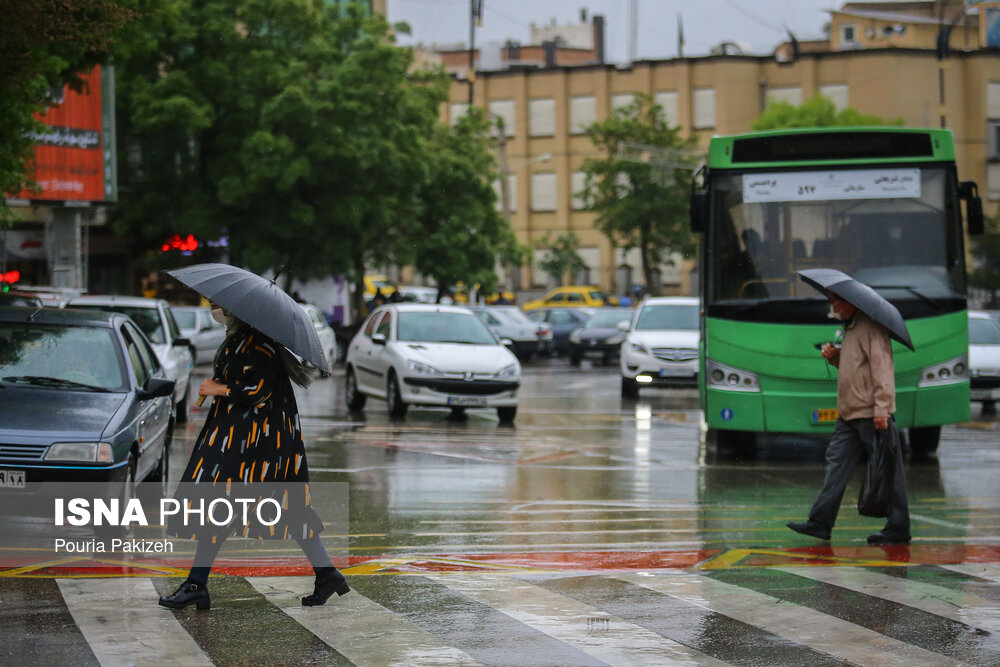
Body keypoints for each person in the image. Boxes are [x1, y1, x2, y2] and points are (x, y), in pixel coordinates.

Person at [158, 303, 349, 611]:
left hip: (259, 443)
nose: (216, 308)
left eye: (221, 306)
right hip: (244, 438)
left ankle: (197, 584)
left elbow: (256, 389)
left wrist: (217, 389)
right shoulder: (242, 338)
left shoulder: (258, 343)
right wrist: (216, 387)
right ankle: (326, 574)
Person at [787, 292, 911, 544]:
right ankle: (820, 522)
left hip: (869, 412)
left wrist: (882, 408)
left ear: (852, 302)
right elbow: (854, 366)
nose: (833, 307)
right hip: (848, 413)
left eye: (837, 302)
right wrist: (834, 357)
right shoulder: (850, 328)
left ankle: (899, 527)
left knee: (887, 469)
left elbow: (882, 367)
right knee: (836, 466)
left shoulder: (870, 327)